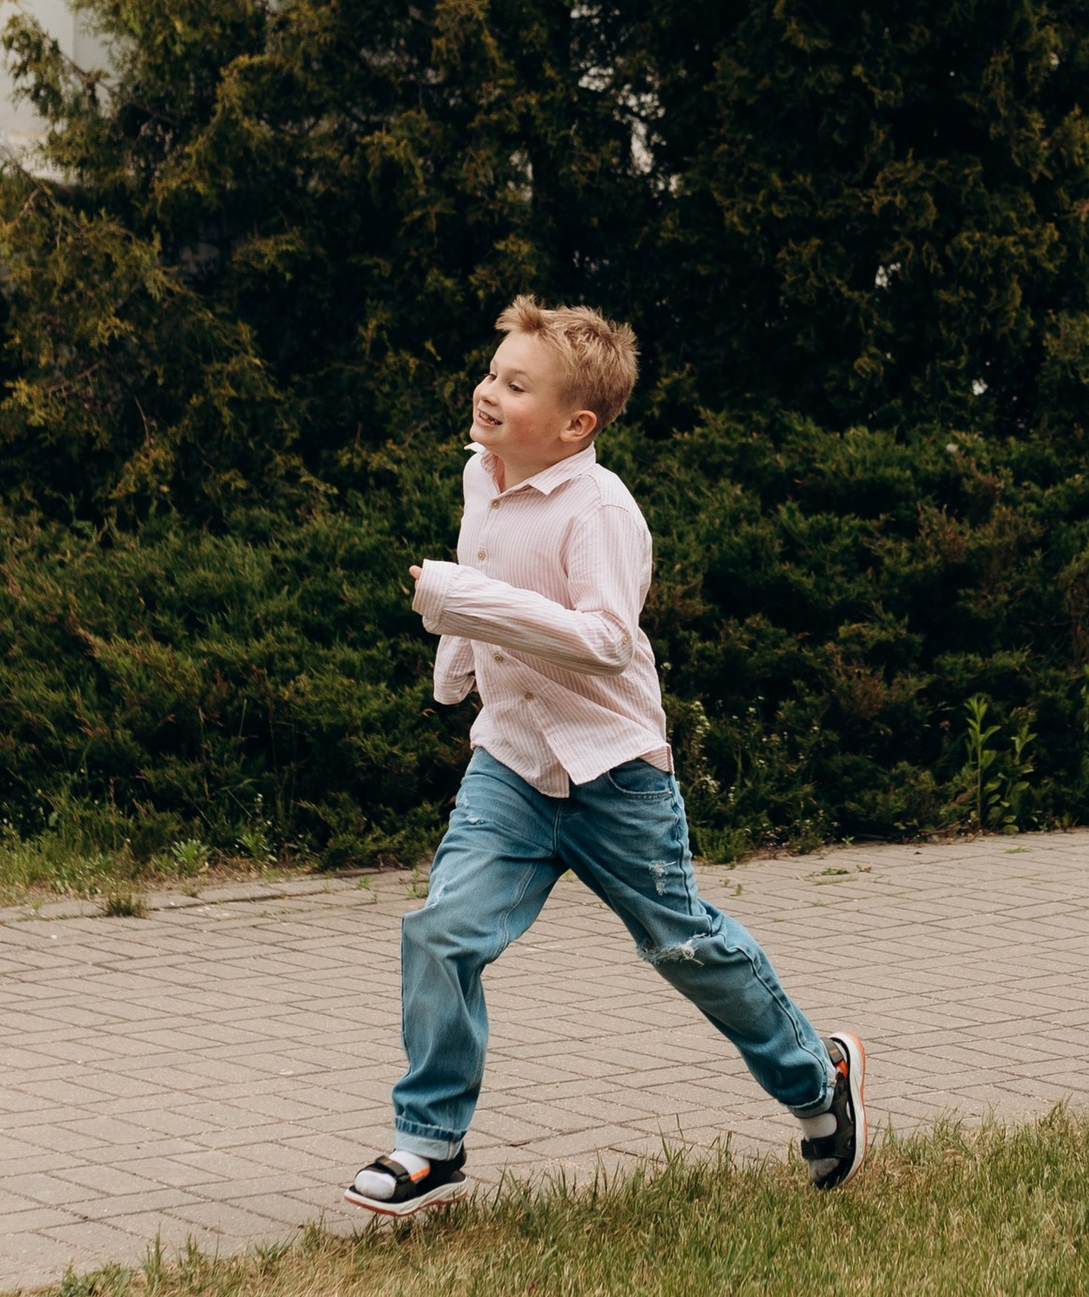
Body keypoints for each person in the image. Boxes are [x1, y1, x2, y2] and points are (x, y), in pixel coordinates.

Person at [345, 295, 868, 1211]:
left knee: (682, 946)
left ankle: (818, 1082)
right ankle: (430, 1143)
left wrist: (458, 603)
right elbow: (487, 576)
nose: (488, 393)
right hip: (510, 765)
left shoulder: (603, 513)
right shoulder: (485, 474)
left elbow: (603, 641)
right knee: (440, 931)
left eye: (516, 385)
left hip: (613, 777)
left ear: (577, 423)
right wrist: (456, 670)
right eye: (492, 373)